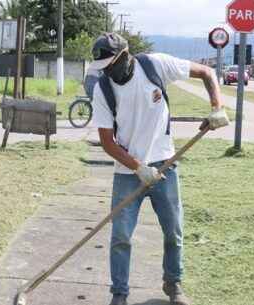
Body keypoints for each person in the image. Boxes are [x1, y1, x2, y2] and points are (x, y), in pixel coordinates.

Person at [88, 33, 230, 305]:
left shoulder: (155, 65)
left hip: (165, 164)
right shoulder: (102, 89)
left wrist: (216, 107)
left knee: (173, 231)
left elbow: (206, 72)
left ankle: (173, 284)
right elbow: (107, 141)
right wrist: (139, 167)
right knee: (120, 236)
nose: (106, 71)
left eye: (110, 64)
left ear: (124, 56)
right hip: (127, 172)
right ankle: (119, 294)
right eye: (102, 67)